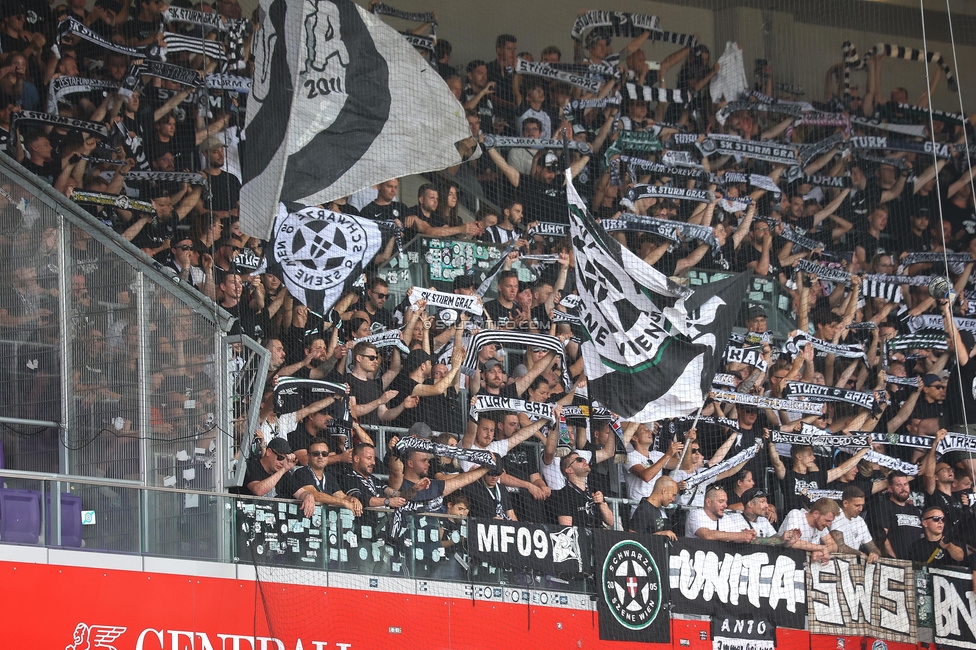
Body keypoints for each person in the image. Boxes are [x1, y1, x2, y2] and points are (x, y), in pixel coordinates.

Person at [281, 440, 362, 516]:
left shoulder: (329, 477)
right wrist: (343, 502)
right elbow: (315, 495)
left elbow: (342, 496)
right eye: (316, 453)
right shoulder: (301, 472)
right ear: (308, 456)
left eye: (324, 454)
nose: (320, 456)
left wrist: (352, 499)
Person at [243, 438, 314, 517]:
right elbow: (259, 490)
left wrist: (308, 496)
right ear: (269, 452)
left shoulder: (282, 472)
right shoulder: (251, 466)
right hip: (250, 516)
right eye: (280, 458)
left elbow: (300, 493)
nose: (282, 463)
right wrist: (283, 470)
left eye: (286, 459)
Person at [553, 450, 614, 528]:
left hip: (598, 537)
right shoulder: (563, 495)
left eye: (584, 459)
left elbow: (610, 521)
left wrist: (602, 503)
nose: (584, 461)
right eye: (579, 460)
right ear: (569, 470)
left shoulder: (593, 491)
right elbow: (566, 527)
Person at [869, 471, 923, 559]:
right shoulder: (884, 507)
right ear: (890, 489)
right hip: (896, 562)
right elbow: (882, 537)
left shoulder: (914, 510)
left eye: (905, 484)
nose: (903, 488)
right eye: (899, 485)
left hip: (916, 561)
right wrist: (894, 559)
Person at [684, 485, 755, 543]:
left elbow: (736, 537)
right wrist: (740, 535)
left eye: (726, 502)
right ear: (708, 502)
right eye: (721, 501)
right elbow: (707, 535)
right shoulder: (696, 514)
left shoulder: (725, 518)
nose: (725, 505)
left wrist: (747, 536)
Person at [830, 486, 882, 562]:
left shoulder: (860, 521)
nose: (861, 509)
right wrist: (860, 554)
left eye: (862, 505)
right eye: (857, 505)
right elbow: (841, 547)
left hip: (853, 565)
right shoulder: (837, 516)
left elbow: (872, 547)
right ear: (845, 503)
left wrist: (874, 553)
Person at [628, 476, 677, 540]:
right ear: (663, 491)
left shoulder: (656, 508)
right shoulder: (644, 510)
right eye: (673, 495)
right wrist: (660, 534)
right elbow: (633, 537)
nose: (674, 499)